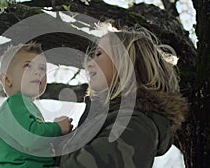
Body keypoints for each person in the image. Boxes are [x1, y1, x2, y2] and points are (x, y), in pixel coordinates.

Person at [59, 26, 189, 168]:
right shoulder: (107, 121)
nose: (89, 63)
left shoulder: (133, 126)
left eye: (98, 54)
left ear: (125, 63)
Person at [0, 42, 73, 168]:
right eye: (28, 66)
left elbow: (35, 143)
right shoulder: (15, 102)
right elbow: (30, 137)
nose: (38, 72)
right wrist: (57, 128)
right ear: (7, 80)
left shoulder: (25, 108)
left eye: (42, 68)